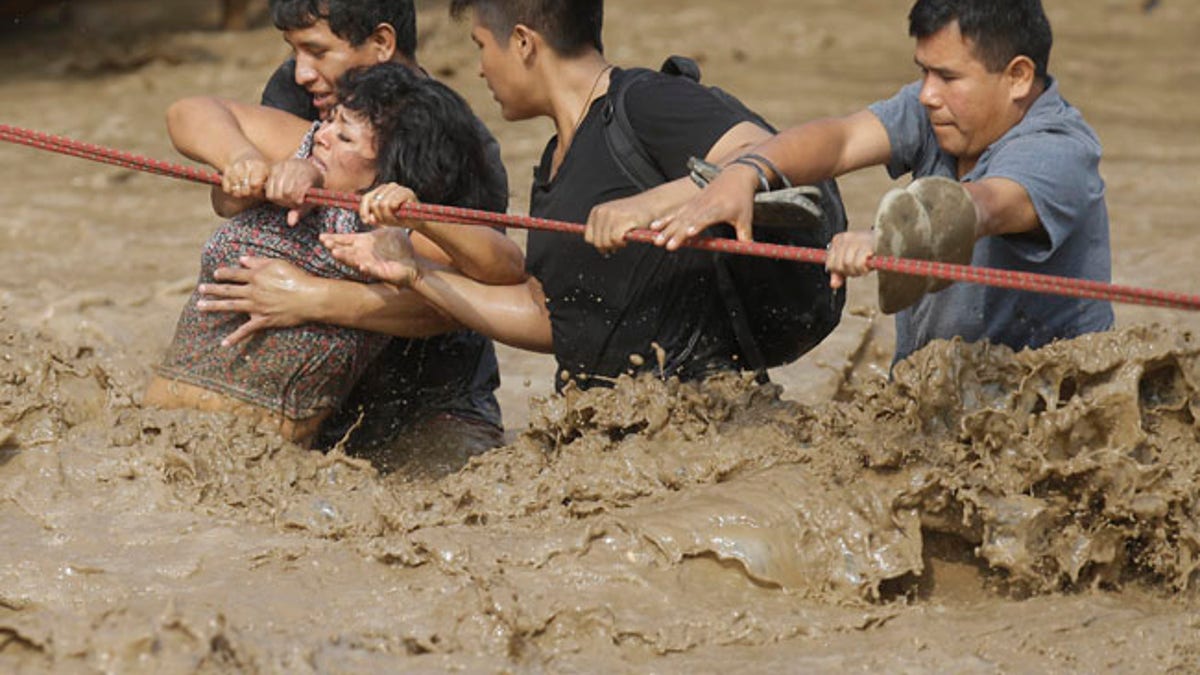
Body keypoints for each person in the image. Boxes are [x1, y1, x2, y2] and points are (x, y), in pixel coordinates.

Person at [327, 0, 813, 391]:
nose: (478, 70)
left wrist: (650, 204)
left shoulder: (645, 101)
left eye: (480, 46)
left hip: (706, 419)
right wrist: (416, 274)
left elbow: (767, 153)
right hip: (613, 432)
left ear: (522, 43)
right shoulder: (556, 159)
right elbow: (547, 320)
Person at [659, 0, 1114, 364]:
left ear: (1018, 77)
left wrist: (886, 236)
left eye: (948, 77)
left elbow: (981, 206)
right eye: (923, 71)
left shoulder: (1058, 151)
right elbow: (840, 139)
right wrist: (746, 172)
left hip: (1040, 410)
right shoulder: (937, 114)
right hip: (941, 392)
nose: (928, 94)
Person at [197, 0, 521, 468]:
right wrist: (245, 166)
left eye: (316, 50)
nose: (302, 72)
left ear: (383, 43)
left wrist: (312, 298)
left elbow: (470, 298)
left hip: (435, 403)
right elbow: (214, 159)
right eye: (294, 51)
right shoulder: (301, 92)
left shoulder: (448, 137)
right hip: (323, 397)